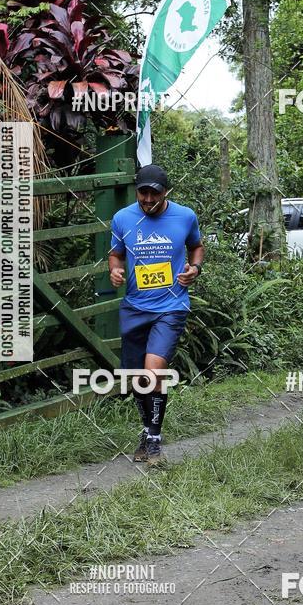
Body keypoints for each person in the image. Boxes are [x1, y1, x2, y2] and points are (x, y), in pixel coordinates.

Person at [108, 164, 204, 466]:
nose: (148, 199)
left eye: (155, 194)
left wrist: (194, 269)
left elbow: (196, 247)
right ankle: (147, 430)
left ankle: (154, 441)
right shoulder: (123, 218)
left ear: (167, 193)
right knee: (138, 377)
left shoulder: (185, 216)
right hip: (135, 307)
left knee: (154, 372)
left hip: (171, 306)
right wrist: (115, 270)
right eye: (143, 192)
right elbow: (115, 253)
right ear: (136, 190)